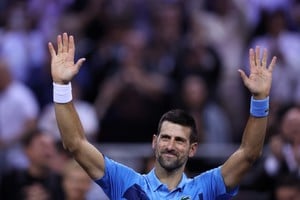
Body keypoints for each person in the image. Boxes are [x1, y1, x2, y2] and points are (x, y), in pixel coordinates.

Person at [48, 32, 276, 199]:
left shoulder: (206, 188)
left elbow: (249, 154)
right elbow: (75, 143)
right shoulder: (126, 182)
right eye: (166, 138)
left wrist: (260, 99)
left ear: (192, 149)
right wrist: (61, 85)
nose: (170, 145)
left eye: (179, 140)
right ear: (154, 142)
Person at [0, 128, 64, 200]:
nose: (49, 152)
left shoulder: (62, 182)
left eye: (51, 146)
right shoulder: (10, 181)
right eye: (43, 146)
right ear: (28, 150)